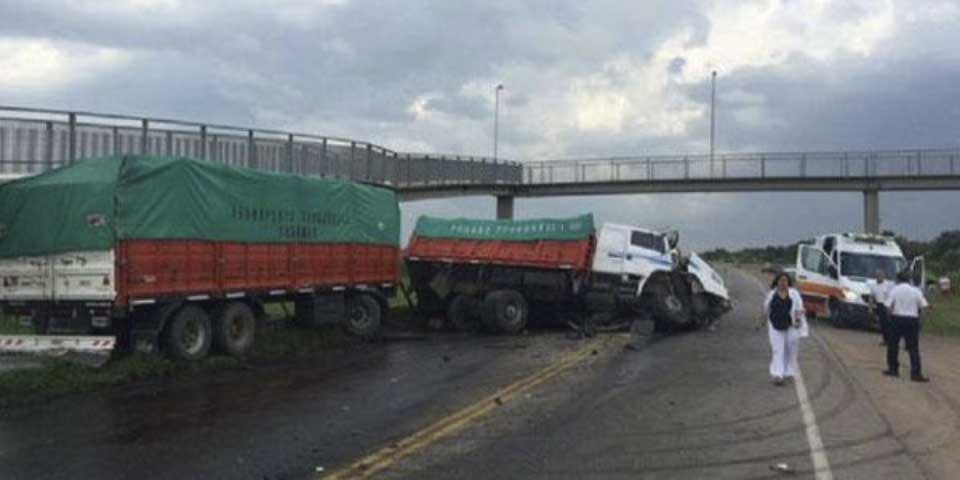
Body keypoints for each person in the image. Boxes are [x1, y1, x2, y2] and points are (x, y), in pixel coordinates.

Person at [760, 272, 808, 386]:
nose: (783, 283)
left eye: (785, 280)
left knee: (791, 349)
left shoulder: (794, 293)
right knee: (778, 349)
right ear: (776, 282)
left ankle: (788, 371)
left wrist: (798, 320)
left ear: (788, 282)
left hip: (791, 325)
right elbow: (766, 309)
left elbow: (800, 308)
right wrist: (762, 321)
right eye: (780, 280)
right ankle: (778, 374)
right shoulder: (771, 294)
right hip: (775, 325)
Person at [884, 271, 931, 382]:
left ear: (898, 279)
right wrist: (920, 320)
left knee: (893, 345)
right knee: (913, 348)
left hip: (897, 318)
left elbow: (888, 306)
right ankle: (916, 373)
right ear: (909, 279)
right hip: (912, 320)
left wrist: (890, 318)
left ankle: (893, 369)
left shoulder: (895, 290)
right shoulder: (916, 291)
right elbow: (924, 307)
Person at [867, 269, 893, 346]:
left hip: (887, 305)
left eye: (880, 276)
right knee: (882, 324)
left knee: (888, 324)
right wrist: (870, 308)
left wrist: (890, 308)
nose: (879, 277)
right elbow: (871, 298)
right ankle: (885, 340)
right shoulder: (873, 286)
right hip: (879, 305)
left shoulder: (888, 285)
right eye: (877, 276)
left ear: (884, 276)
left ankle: (890, 340)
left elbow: (891, 297)